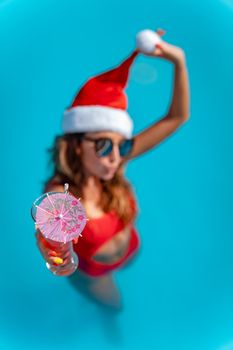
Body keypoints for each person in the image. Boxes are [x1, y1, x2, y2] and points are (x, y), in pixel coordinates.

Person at [35, 28, 190, 310]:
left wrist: (178, 60)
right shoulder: (60, 194)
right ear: (78, 144)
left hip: (131, 249)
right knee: (115, 310)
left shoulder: (114, 164)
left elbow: (177, 117)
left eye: (123, 146)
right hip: (96, 275)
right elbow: (50, 236)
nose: (115, 157)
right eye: (105, 145)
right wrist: (57, 256)